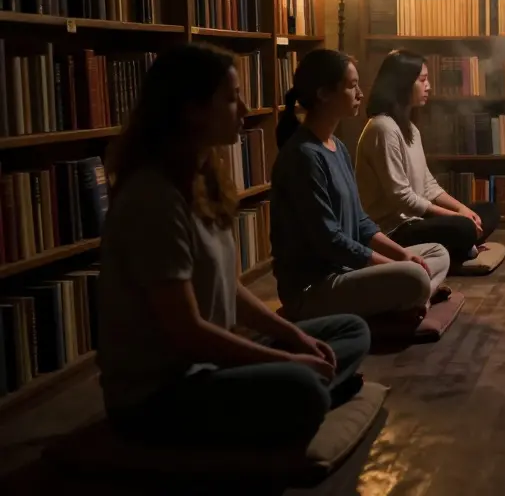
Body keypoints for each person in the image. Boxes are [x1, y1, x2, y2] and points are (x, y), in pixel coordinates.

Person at [96, 43, 370, 448]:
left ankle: (300, 393)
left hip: (213, 361)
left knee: (350, 329)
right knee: (303, 387)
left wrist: (295, 338)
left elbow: (230, 288)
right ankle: (310, 394)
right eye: (230, 98)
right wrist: (288, 360)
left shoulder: (203, 180)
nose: (244, 108)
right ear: (192, 110)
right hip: (162, 391)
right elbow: (187, 333)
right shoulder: (154, 198)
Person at [271, 49, 451, 331]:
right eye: (352, 85)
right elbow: (329, 239)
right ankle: (411, 300)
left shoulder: (338, 147)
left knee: (438, 252)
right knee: (414, 277)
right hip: (315, 288)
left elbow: (361, 221)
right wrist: (389, 265)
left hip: (348, 270)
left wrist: (402, 255)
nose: (360, 93)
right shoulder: (304, 156)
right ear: (324, 94)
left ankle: (415, 301)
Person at [355, 49, 500, 265]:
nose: (428, 86)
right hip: (393, 231)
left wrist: (461, 209)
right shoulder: (382, 128)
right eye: (422, 80)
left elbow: (428, 185)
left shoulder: (410, 128)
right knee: (463, 227)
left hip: (416, 220)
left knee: (488, 211)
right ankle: (456, 249)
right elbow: (402, 198)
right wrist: (454, 217)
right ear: (403, 83)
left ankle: (456, 248)